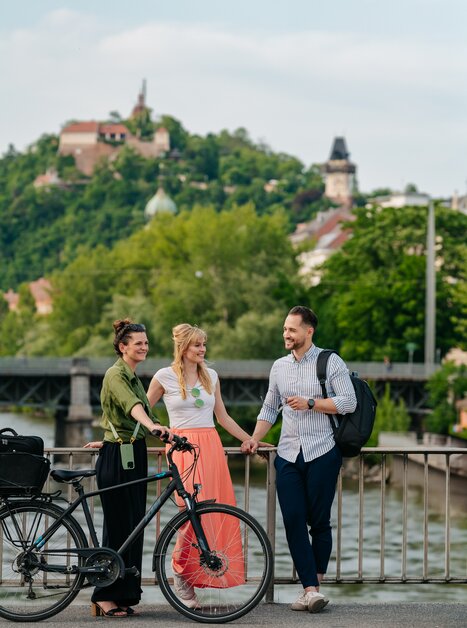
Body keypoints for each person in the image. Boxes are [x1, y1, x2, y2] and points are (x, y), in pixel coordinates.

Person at [241, 306, 357, 613]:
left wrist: (311, 403)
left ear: (309, 331)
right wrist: (254, 437)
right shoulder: (279, 366)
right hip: (288, 453)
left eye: (292, 329)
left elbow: (348, 402)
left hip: (323, 451)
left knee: (318, 522)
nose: (286, 334)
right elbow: (269, 408)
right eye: (284, 329)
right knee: (293, 519)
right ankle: (310, 589)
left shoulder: (330, 361)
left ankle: (312, 588)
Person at [147, 323, 269, 608]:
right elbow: (141, 411)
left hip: (211, 447)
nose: (203, 349)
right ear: (183, 348)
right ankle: (180, 573)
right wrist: (126, 435)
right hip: (182, 448)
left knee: (212, 511)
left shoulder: (211, 376)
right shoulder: (163, 376)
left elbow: (222, 418)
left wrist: (250, 439)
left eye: (204, 344)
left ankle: (196, 576)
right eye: (197, 345)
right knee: (189, 514)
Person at [84, 319, 171, 618]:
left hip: (131, 452)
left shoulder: (133, 375)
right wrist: (152, 426)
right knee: (119, 526)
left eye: (146, 343)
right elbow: (132, 406)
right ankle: (104, 595)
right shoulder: (116, 374)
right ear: (123, 347)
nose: (144, 347)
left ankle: (124, 594)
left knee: (133, 525)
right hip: (118, 456)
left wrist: (166, 430)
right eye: (138, 343)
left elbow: (135, 411)